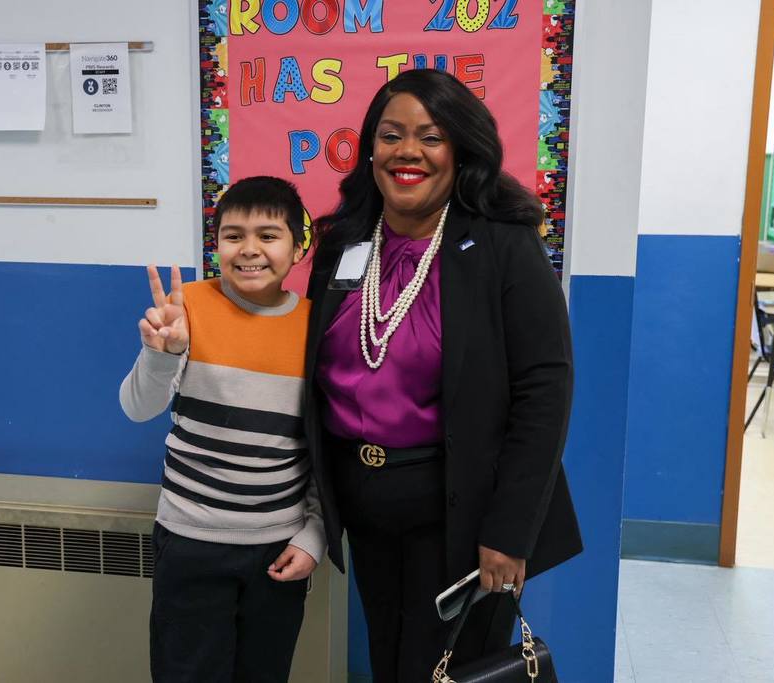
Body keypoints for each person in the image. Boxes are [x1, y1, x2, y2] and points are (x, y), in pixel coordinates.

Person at [304, 69, 583, 681]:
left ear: (461, 149)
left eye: (430, 137)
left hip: (466, 517)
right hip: (367, 509)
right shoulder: (342, 244)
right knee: (389, 662)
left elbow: (546, 389)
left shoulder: (503, 244)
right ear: (370, 149)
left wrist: (509, 532)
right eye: (390, 135)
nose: (407, 152)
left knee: (452, 672)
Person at [119, 176, 325, 683]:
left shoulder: (318, 326)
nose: (249, 249)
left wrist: (314, 535)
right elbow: (137, 408)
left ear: (299, 246)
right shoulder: (186, 307)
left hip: (277, 547)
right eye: (233, 236)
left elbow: (326, 447)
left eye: (268, 235)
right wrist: (160, 354)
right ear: (216, 246)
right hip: (189, 541)